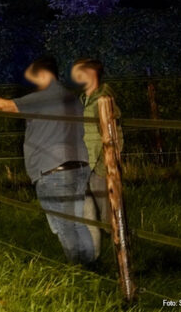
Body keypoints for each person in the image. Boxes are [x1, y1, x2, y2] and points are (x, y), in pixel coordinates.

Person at [0, 55, 95, 264]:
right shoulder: (72, 98)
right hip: (79, 167)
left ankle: (79, 269)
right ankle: (92, 267)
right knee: (77, 222)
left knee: (63, 225)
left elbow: (6, 106)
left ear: (43, 74)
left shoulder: (45, 97)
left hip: (54, 169)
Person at [71, 58, 124, 256]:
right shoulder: (83, 99)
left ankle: (120, 257)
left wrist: (105, 166)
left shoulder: (105, 98)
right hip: (84, 163)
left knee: (108, 214)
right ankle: (93, 257)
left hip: (99, 166)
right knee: (87, 212)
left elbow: (115, 134)